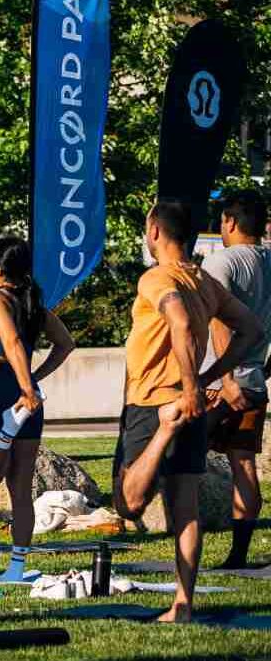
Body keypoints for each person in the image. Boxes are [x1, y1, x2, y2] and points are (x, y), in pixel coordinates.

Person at [112, 200, 261, 623]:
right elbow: (252, 329)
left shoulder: (155, 278)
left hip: (155, 403)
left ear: (155, 232)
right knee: (185, 508)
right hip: (190, 404)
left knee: (128, 504)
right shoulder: (203, 281)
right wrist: (209, 376)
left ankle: (163, 432)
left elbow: (177, 317)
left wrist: (195, 384)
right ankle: (183, 605)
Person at [0, 235, 76, 583]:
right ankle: (16, 569)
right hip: (28, 398)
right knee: (20, 489)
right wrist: (33, 382)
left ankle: (7, 431)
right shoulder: (33, 303)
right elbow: (66, 344)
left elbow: (10, 341)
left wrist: (25, 387)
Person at [199, 190, 271, 569]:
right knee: (244, 466)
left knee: (181, 458)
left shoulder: (220, 262)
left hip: (217, 385)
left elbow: (218, 321)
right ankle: (238, 555)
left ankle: (185, 540)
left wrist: (226, 379)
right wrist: (260, 370)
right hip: (254, 382)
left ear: (229, 222)